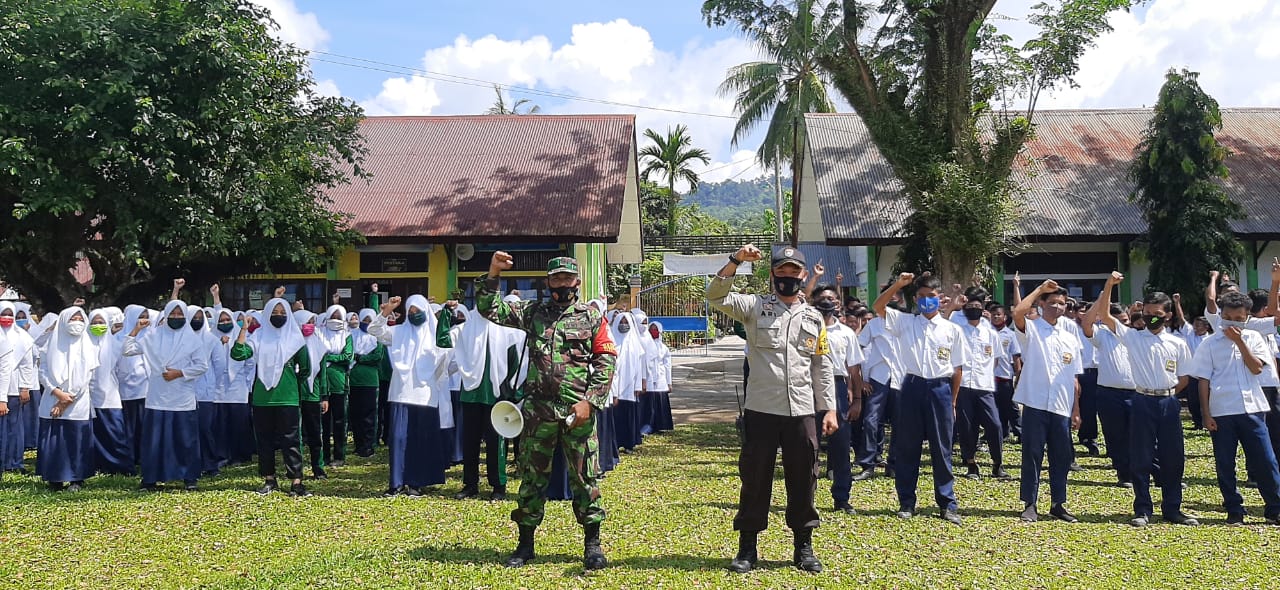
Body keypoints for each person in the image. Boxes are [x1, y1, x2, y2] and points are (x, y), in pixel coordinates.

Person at [478, 254, 617, 571]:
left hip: (576, 412)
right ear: (547, 282)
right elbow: (490, 309)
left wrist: (590, 401)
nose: (561, 285)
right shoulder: (533, 313)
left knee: (585, 479)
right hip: (537, 413)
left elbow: (606, 361)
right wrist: (494, 272)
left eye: (567, 279)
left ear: (577, 283)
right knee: (531, 479)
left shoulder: (592, 318)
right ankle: (525, 545)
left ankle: (592, 545)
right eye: (555, 279)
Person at [708, 245, 837, 573]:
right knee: (754, 478)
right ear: (772, 274)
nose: (788, 277)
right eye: (782, 271)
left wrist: (830, 409)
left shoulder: (813, 318)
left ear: (803, 275)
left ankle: (803, 547)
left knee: (804, 478)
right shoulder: (754, 307)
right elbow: (715, 295)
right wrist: (735, 260)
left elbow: (821, 366)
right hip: (762, 410)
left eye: (794, 271)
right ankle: (747, 548)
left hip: (802, 411)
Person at [1094, 271, 1198, 527]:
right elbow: (1105, 316)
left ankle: (1172, 508)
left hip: (1168, 402)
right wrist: (1108, 286)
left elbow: (1185, 375)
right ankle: (1142, 508)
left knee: (1173, 456)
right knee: (1140, 455)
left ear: (1168, 316)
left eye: (1157, 314)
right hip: (1141, 400)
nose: (1150, 318)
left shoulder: (1177, 343)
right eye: (1146, 313)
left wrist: (1171, 392)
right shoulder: (1132, 337)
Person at [872, 272, 966, 526]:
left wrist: (953, 402)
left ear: (940, 299)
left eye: (931, 297)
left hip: (940, 390)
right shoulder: (905, 323)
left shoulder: (952, 330)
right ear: (915, 299)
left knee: (942, 449)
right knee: (907, 448)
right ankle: (906, 502)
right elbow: (878, 306)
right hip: (911, 387)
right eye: (922, 297)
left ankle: (947, 503)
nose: (927, 301)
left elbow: (957, 369)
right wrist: (899, 285)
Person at [1192, 289, 1280, 525]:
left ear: (1247, 316)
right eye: (1228, 317)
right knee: (1225, 463)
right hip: (1221, 411)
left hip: (1252, 408)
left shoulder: (1253, 338)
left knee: (1265, 459)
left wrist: (1240, 341)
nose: (1233, 323)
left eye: (1239, 319)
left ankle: (1274, 507)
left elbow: (1256, 368)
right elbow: (1203, 380)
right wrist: (1206, 414)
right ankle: (1234, 508)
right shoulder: (1210, 344)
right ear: (1221, 315)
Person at [367, 295, 455, 498]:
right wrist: (386, 311)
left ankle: (416, 483)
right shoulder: (398, 332)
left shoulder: (435, 336)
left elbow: (445, 359)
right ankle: (396, 483)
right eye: (411, 311)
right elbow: (374, 330)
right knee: (398, 439)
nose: (415, 315)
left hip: (425, 396)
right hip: (400, 393)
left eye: (418, 311)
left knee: (420, 440)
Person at [1011, 280, 1083, 523]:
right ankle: (1030, 503)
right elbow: (1018, 312)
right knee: (1032, 454)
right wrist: (1039, 289)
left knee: (1061, 456)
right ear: (1041, 305)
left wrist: (1076, 410)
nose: (1058, 308)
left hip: (1061, 406)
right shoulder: (1031, 329)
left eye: (1062, 304)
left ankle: (1058, 503)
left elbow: (1074, 378)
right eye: (1052, 303)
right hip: (1035, 402)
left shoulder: (1070, 336)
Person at [124, 296, 210, 492]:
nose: (177, 317)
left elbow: (201, 366)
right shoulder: (152, 337)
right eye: (173, 313)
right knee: (156, 440)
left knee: (185, 440)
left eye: (180, 314)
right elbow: (128, 350)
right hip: (157, 398)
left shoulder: (193, 340)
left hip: (182, 398)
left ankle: (189, 478)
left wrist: (179, 373)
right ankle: (150, 479)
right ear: (166, 315)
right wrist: (137, 329)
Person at [231, 298, 311, 497]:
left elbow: (306, 368)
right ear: (267, 314)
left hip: (288, 397)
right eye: (274, 312)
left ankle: (296, 482)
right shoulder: (258, 337)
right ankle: (269, 479)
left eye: (282, 312)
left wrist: (290, 380)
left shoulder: (295, 338)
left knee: (291, 440)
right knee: (264, 441)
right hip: (262, 398)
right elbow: (238, 353)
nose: (279, 316)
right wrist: (244, 329)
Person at [453, 304, 527, 501]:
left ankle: (498, 486)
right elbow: (443, 339)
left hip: (496, 396)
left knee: (496, 443)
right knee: (470, 442)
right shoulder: (465, 330)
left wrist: (513, 391)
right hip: (471, 394)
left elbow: (515, 362)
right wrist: (446, 313)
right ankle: (470, 484)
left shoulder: (505, 331)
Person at [811, 284, 864, 515]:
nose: (826, 302)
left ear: (838, 304)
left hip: (838, 387)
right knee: (808, 445)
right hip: (809, 387)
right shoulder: (806, 329)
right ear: (814, 302)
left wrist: (857, 399)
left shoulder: (846, 333)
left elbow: (854, 369)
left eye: (830, 298)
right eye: (821, 298)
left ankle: (841, 497)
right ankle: (806, 496)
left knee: (841, 446)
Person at [951, 287, 1008, 480]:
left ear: (983, 307)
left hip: (984, 386)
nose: (974, 309)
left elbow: (996, 358)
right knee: (966, 426)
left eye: (977, 306)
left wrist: (985, 374)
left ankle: (997, 464)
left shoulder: (990, 331)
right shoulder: (958, 329)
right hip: (964, 385)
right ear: (965, 308)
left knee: (995, 424)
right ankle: (971, 464)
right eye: (970, 306)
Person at [36, 306, 91, 491]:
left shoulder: (87, 345)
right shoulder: (51, 344)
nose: (77, 323)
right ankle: (55, 478)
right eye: (72, 318)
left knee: (75, 440)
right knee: (54, 440)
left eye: (80, 319)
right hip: (52, 398)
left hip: (77, 404)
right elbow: (42, 370)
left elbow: (85, 378)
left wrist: (65, 401)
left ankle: (76, 479)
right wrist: (56, 392)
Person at [1083, 302, 1138, 488]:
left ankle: (1154, 472)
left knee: (1140, 435)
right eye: (1119, 321)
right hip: (1109, 393)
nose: (1123, 325)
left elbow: (1157, 319)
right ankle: (1125, 474)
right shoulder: (1102, 336)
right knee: (1116, 436)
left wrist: (1139, 310)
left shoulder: (1135, 335)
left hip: (1136, 393)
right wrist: (1101, 300)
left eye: (1126, 320)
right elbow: (1086, 323)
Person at [854, 300, 902, 481]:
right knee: (870, 421)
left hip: (901, 378)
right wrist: (862, 378)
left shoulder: (907, 325)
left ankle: (894, 464)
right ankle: (868, 464)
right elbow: (858, 348)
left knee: (900, 424)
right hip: (878, 377)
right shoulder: (874, 324)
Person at [87, 309, 133, 476]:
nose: (98, 325)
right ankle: (96, 466)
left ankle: (121, 467)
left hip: (109, 396)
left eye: (101, 322)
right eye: (94, 322)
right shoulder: (84, 344)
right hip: (86, 398)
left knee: (114, 434)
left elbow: (124, 371)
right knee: (92, 435)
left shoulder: (116, 345)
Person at [0, 301, 36, 475]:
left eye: (9, 314)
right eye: (3, 314)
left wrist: (25, 387)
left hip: (14, 389)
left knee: (14, 427)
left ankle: (14, 462)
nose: (6, 318)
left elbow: (27, 365)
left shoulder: (22, 337)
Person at [316, 304, 354, 468]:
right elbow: (317, 354)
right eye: (333, 316)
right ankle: (323, 457)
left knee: (339, 421)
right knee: (323, 422)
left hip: (339, 385)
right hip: (322, 385)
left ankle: (339, 456)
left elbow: (347, 356)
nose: (336, 320)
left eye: (339, 317)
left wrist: (329, 357)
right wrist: (327, 358)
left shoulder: (347, 335)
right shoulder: (320, 334)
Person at [293, 309, 329, 479]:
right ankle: (296, 469)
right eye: (307, 322)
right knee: (296, 435)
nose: (310, 326)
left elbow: (322, 374)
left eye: (313, 322)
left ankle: (318, 468)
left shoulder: (318, 343)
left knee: (315, 434)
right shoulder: (291, 343)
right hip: (294, 394)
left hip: (313, 395)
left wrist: (324, 397)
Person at [115, 305, 150, 467]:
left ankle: (143, 457)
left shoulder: (150, 337)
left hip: (146, 391)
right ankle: (129, 458)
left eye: (146, 316)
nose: (144, 320)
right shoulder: (118, 339)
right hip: (126, 391)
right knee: (129, 427)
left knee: (144, 427)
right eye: (140, 316)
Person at [349, 309, 384, 458]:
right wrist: (357, 357)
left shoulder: (377, 337)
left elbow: (377, 357)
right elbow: (349, 353)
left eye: (370, 321)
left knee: (369, 415)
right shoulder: (353, 335)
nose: (367, 324)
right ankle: (358, 445)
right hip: (354, 381)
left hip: (370, 381)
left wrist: (360, 358)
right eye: (365, 320)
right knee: (355, 414)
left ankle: (368, 446)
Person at [988, 304, 1023, 444]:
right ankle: (1001, 432)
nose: (996, 317)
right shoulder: (986, 332)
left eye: (998, 314)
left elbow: (1016, 357)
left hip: (1004, 376)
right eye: (993, 314)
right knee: (995, 407)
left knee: (1011, 407)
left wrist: (1018, 375)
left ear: (1005, 317)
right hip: (989, 378)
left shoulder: (1010, 335)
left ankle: (1020, 432)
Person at [646, 322, 675, 433]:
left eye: (655, 329)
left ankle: (661, 426)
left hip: (661, 380)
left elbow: (668, 366)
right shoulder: (645, 346)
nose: (653, 331)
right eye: (651, 329)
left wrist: (669, 382)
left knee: (660, 404)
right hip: (649, 379)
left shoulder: (664, 348)